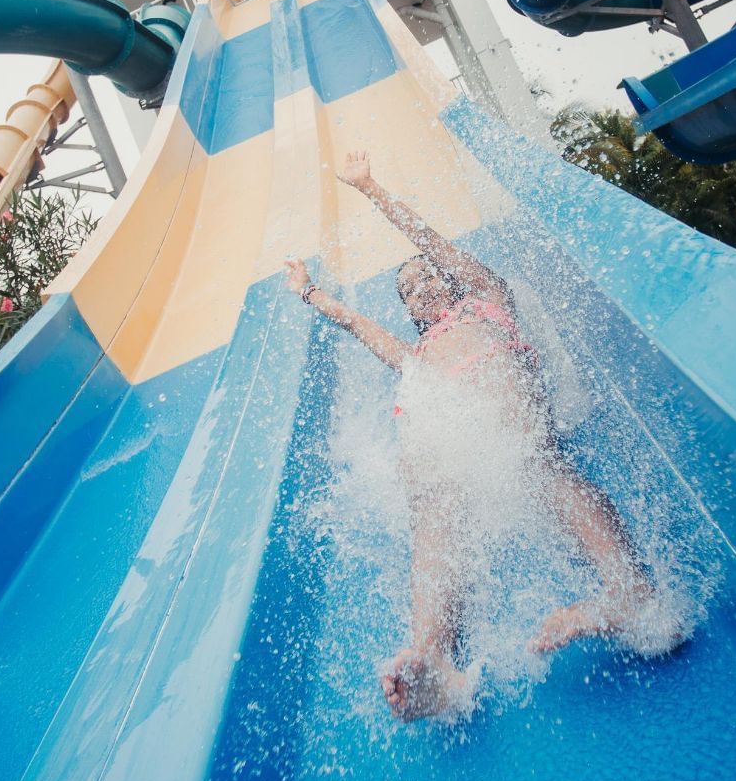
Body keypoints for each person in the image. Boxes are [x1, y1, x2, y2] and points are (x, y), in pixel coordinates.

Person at [285, 150, 666, 723]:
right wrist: (309, 293)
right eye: (407, 293)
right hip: (443, 433)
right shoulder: (415, 354)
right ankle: (436, 664)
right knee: (433, 514)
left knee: (537, 464)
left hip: (506, 409)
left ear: (454, 280)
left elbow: (430, 240)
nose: (417, 292)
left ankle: (631, 594)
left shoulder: (489, 302)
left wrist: (370, 187)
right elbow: (358, 323)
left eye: (424, 279)